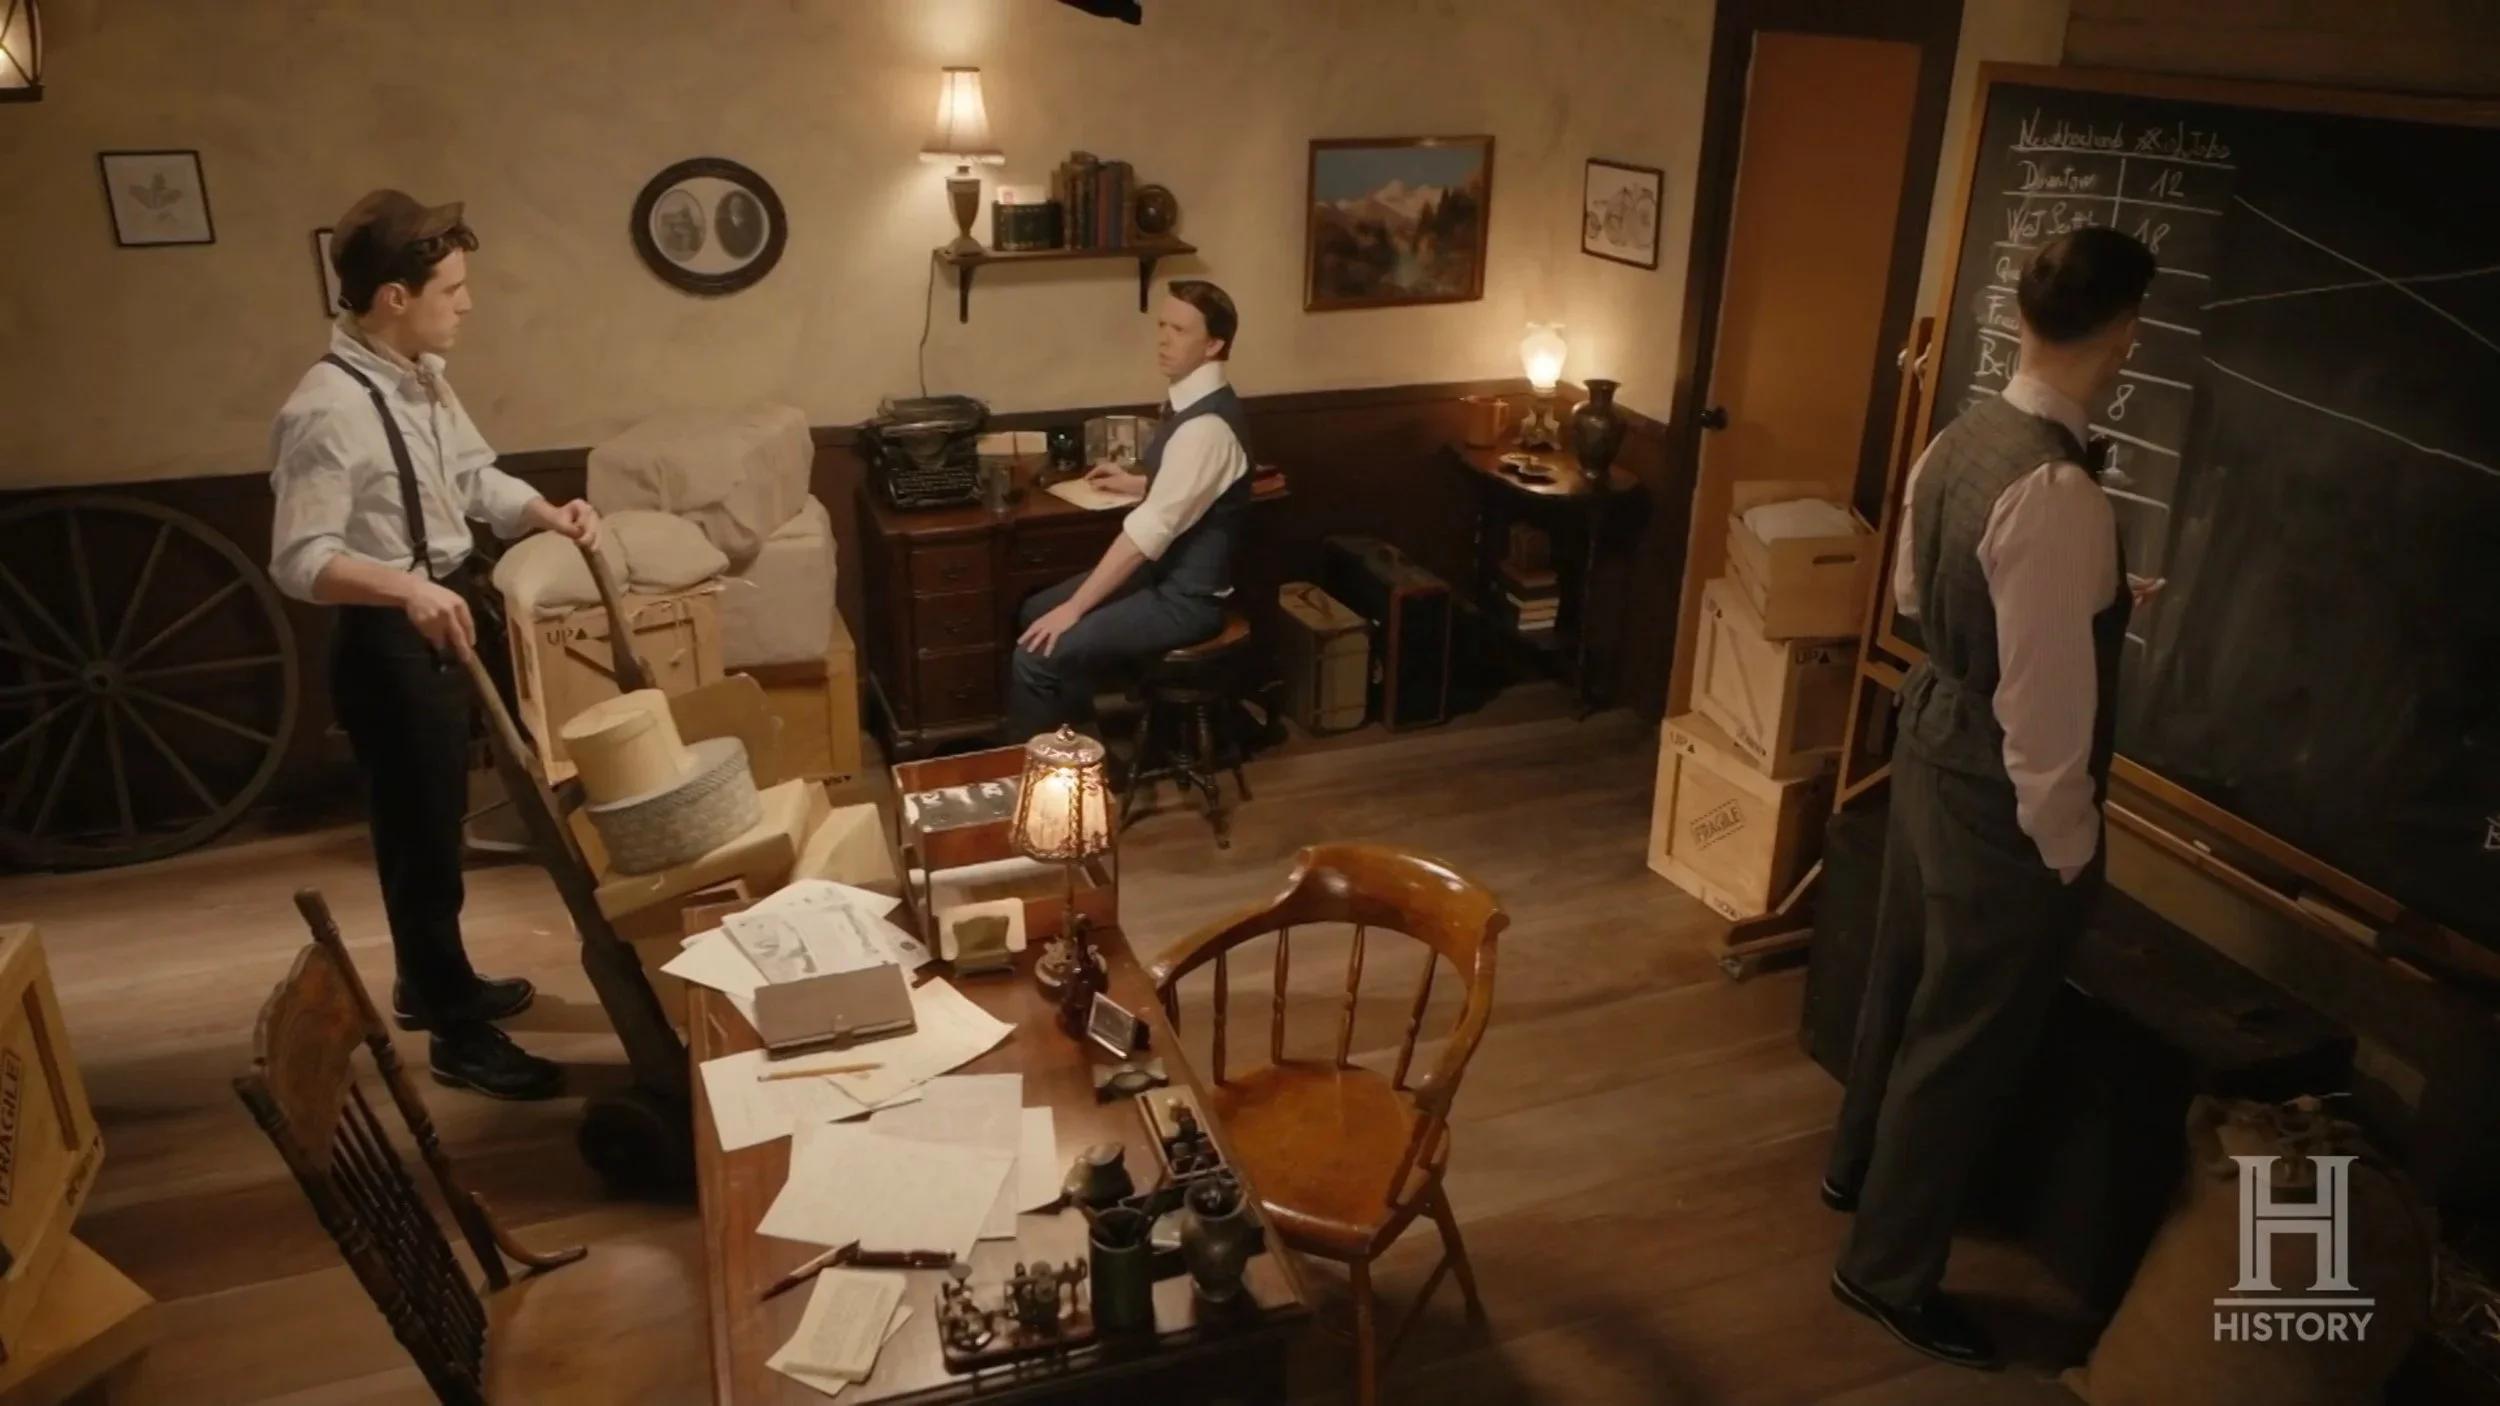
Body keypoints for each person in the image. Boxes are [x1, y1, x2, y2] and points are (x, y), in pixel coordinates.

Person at [1823, 225, 2161, 1369]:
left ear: (2020, 314)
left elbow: (1923, 593)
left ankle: (1855, 1169)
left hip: (1929, 730)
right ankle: (1885, 1268)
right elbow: (2047, 722)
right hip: (1996, 784)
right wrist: (2068, 850)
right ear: (2124, 335)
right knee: (1963, 1032)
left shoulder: (1956, 439)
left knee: (1899, 979)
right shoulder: (2059, 491)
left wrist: (2088, 589)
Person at [268, 190, 600, 1101]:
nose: (466, 303)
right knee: (417, 838)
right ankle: (457, 1035)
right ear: (394, 298)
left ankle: (432, 982)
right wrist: (407, 587)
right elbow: (301, 560)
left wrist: (543, 511)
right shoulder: (325, 411)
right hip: (389, 640)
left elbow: (470, 475)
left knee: (440, 821)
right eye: (451, 289)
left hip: (445, 610)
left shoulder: (418, 378)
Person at [1006, 280, 1252, 743]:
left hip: (1186, 601)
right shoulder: (1191, 404)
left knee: (1037, 655)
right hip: (1162, 579)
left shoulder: (1206, 428)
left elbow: (1146, 535)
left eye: (1179, 330)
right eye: (1162, 326)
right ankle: (1082, 746)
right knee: (1037, 610)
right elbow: (1190, 489)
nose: (1163, 340)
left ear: (1214, 345)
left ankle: (1046, 775)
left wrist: (1075, 609)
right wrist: (1139, 483)